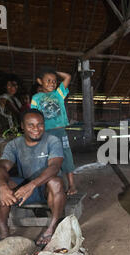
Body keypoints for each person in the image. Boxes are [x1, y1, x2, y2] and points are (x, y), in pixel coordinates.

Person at [0, 109, 66, 246]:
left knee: (56, 182)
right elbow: (1, 167)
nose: (36, 129)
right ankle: (4, 231)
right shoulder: (14, 144)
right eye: (31, 125)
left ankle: (51, 229)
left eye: (40, 124)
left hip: (47, 190)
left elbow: (55, 167)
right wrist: (3, 187)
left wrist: (32, 185)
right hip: (25, 191)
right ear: (22, 126)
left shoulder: (52, 141)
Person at [30, 67, 77, 196]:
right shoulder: (36, 97)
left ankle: (72, 184)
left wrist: (55, 72)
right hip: (46, 134)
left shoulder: (58, 94)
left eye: (54, 81)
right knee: (49, 160)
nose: (52, 83)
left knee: (67, 156)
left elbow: (67, 76)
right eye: (48, 80)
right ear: (40, 81)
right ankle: (52, 186)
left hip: (60, 132)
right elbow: (33, 116)